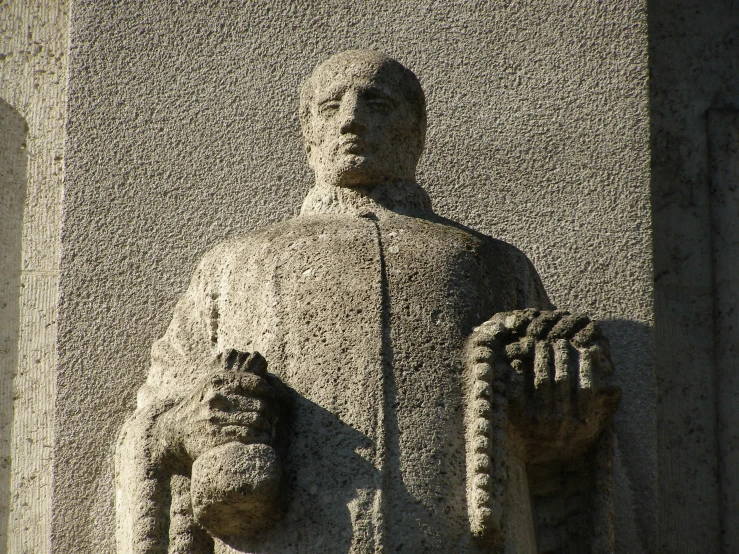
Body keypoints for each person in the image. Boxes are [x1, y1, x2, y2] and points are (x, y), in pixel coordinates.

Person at [115, 49, 619, 554]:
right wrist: (187, 425)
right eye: (332, 105)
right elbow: (155, 413)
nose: (352, 118)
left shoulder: (494, 264)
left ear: (417, 129)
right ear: (309, 129)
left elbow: (562, 441)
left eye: (376, 103)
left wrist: (564, 408)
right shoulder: (232, 264)